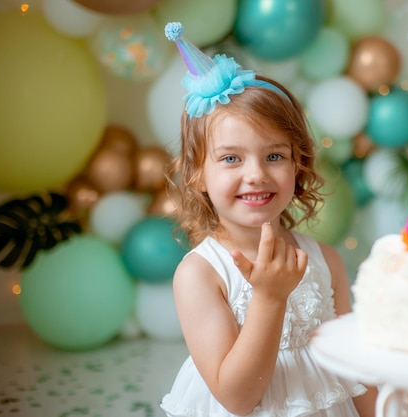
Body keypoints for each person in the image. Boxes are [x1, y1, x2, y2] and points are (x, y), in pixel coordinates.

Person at [160, 22, 377, 417]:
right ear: (198, 177)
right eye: (230, 159)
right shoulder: (201, 275)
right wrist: (269, 298)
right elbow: (238, 398)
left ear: (299, 165)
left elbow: (355, 369)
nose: (256, 173)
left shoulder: (326, 261)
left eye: (274, 155)